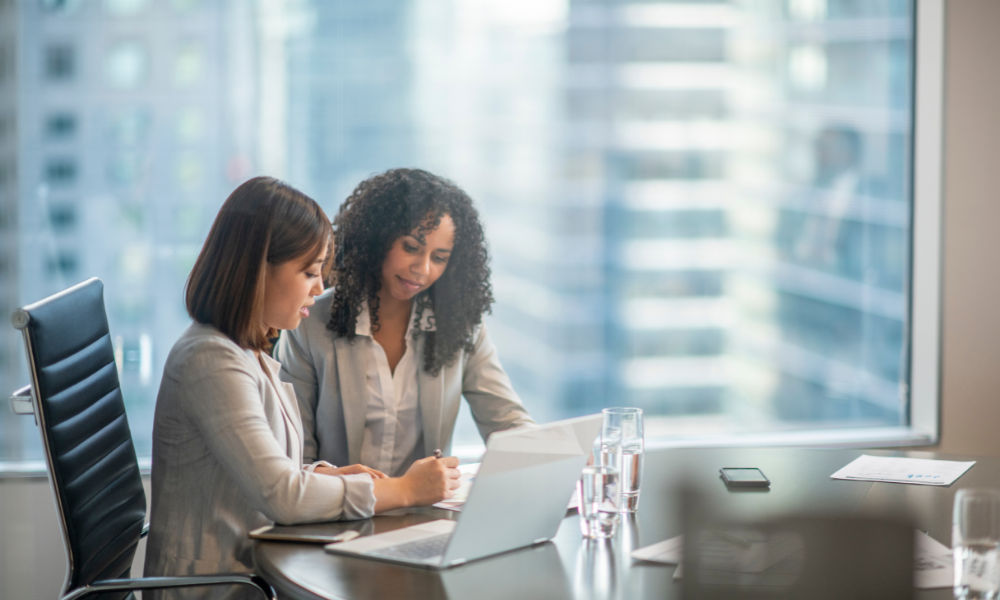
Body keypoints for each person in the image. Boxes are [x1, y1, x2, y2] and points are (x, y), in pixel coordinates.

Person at [143, 176, 461, 600]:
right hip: (218, 588)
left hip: (250, 573)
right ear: (257, 270)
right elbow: (283, 496)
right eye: (309, 272)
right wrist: (404, 489)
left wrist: (322, 474)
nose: (319, 287)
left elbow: (271, 472)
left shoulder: (248, 350)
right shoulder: (210, 361)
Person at [274, 168, 534, 477]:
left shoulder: (461, 326)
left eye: (439, 257)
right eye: (411, 248)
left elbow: (506, 421)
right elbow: (292, 455)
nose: (422, 269)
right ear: (377, 239)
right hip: (338, 517)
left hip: (425, 517)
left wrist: (553, 452)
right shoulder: (309, 323)